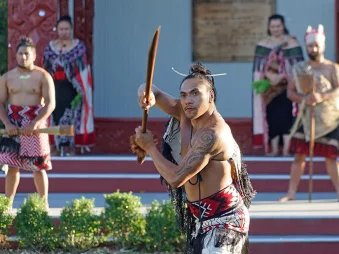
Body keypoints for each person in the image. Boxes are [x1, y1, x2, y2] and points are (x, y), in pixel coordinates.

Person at [132, 63, 256, 253]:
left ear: (211, 96)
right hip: (202, 220)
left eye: (195, 93)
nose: (188, 100)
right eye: (183, 95)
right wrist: (145, 93)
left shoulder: (212, 135)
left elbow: (175, 178)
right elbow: (153, 91)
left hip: (225, 221)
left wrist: (149, 146)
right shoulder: (184, 112)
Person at [279, 24, 339, 201]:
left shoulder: (332, 68)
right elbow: (290, 93)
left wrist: (321, 96)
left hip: (329, 118)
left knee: (331, 158)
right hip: (306, 117)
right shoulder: (299, 68)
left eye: (316, 46)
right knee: (299, 156)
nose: (313, 49)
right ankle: (291, 193)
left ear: (322, 46)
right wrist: (305, 99)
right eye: (310, 46)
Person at [0, 36, 55, 210]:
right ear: (15, 56)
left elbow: (50, 103)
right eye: (20, 54)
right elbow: (0, 102)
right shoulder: (7, 77)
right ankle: (8, 205)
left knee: (38, 166)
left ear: (34, 55)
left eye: (27, 54)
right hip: (13, 122)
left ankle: (43, 203)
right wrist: (7, 123)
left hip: (35, 123)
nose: (23, 57)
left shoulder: (43, 76)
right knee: (11, 166)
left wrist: (36, 123)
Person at [42, 15, 95, 156]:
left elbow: (84, 71)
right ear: (57, 30)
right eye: (61, 29)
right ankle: (54, 145)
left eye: (66, 29)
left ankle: (69, 146)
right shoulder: (50, 48)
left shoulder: (79, 48)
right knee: (54, 116)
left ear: (71, 29)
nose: (64, 32)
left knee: (71, 117)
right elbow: (45, 69)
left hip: (73, 89)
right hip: (55, 88)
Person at [252, 14, 304, 156]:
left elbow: (299, 68)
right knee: (272, 119)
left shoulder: (293, 44)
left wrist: (282, 76)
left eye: (278, 26)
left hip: (287, 89)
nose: (275, 29)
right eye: (273, 26)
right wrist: (269, 76)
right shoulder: (263, 45)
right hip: (269, 90)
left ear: (283, 26)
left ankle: (287, 149)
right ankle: (274, 149)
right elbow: (258, 69)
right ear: (269, 28)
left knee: (287, 118)